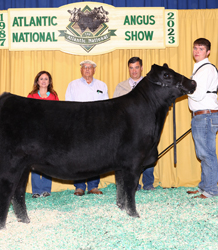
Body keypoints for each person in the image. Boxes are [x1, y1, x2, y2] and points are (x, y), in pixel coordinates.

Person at [65, 60, 109, 196]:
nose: (88, 70)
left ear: (94, 70)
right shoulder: (73, 85)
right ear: (81, 70)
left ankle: (93, 186)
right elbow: (68, 106)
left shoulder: (102, 85)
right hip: (78, 125)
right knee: (78, 155)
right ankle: (79, 186)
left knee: (95, 155)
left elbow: (106, 105)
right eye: (85, 67)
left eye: (90, 68)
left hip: (96, 126)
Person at [113, 57, 155, 191]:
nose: (134, 71)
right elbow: (115, 108)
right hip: (128, 128)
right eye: (131, 68)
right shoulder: (121, 87)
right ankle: (132, 184)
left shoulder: (151, 86)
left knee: (148, 152)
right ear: (128, 69)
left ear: (141, 68)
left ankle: (148, 183)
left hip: (147, 126)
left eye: (136, 67)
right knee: (129, 156)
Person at [187, 38, 218, 199]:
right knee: (203, 153)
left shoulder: (206, 69)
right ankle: (204, 187)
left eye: (201, 48)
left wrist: (182, 87)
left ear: (208, 52)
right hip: (202, 115)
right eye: (195, 48)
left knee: (207, 153)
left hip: (205, 115)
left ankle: (211, 190)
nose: (197, 51)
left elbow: (198, 94)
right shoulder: (199, 70)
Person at [27, 71, 59, 198]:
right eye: (41, 79)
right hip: (35, 134)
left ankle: (46, 189)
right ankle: (36, 190)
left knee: (47, 161)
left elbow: (58, 113)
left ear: (49, 81)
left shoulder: (54, 96)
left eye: (46, 79)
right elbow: (27, 114)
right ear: (37, 81)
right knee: (35, 162)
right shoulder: (32, 96)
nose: (44, 81)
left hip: (49, 134)